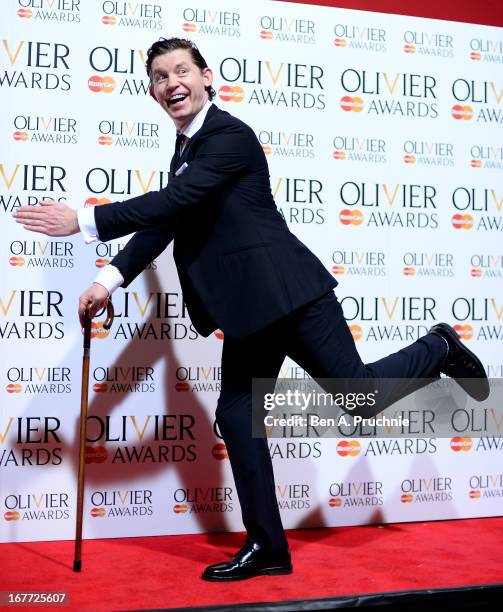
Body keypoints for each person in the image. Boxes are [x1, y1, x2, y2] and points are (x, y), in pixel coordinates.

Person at [14, 37, 489, 582]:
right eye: (160, 77)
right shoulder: (186, 153)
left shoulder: (227, 136)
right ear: (151, 93)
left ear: (207, 76)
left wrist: (85, 218)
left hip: (288, 294)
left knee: (357, 398)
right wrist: (109, 279)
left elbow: (176, 203)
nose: (172, 83)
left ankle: (440, 346)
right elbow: (168, 222)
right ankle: (268, 547)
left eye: (181, 71)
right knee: (239, 417)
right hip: (247, 310)